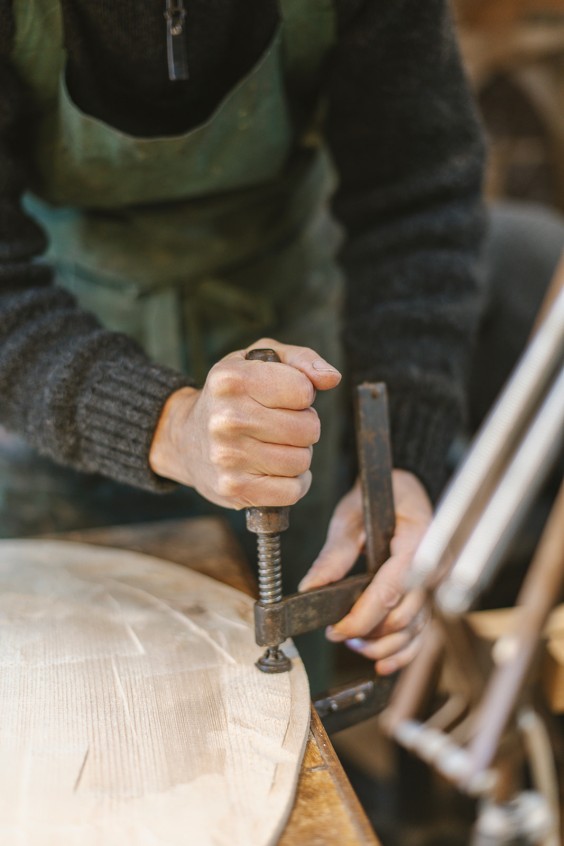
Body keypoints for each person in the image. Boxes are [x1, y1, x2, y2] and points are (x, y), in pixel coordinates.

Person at [0, 0, 485, 686]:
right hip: (44, 370)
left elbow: (417, 198)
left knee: (277, 720)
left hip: (289, 367)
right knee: (64, 713)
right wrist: (167, 427)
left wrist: (401, 460)